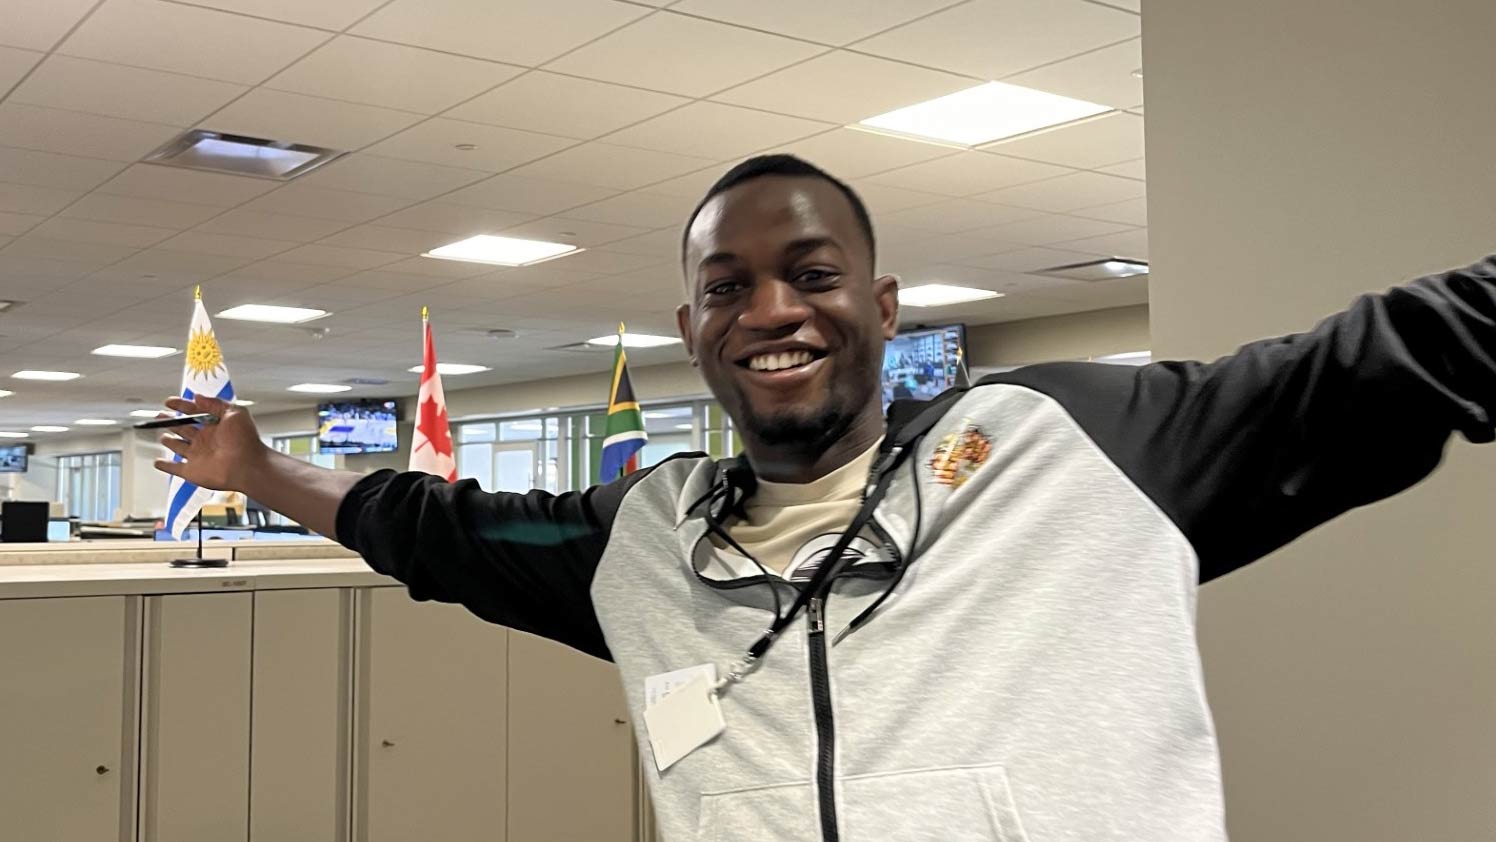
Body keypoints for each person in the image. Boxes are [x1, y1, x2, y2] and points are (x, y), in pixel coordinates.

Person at [155, 154, 1496, 842]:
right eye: (728, 287)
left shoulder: (1075, 441)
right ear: (694, 329)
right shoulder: (643, 538)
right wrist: (263, 471)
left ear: (883, 302)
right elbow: (430, 529)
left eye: (810, 270)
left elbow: (1399, 356)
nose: (771, 308)